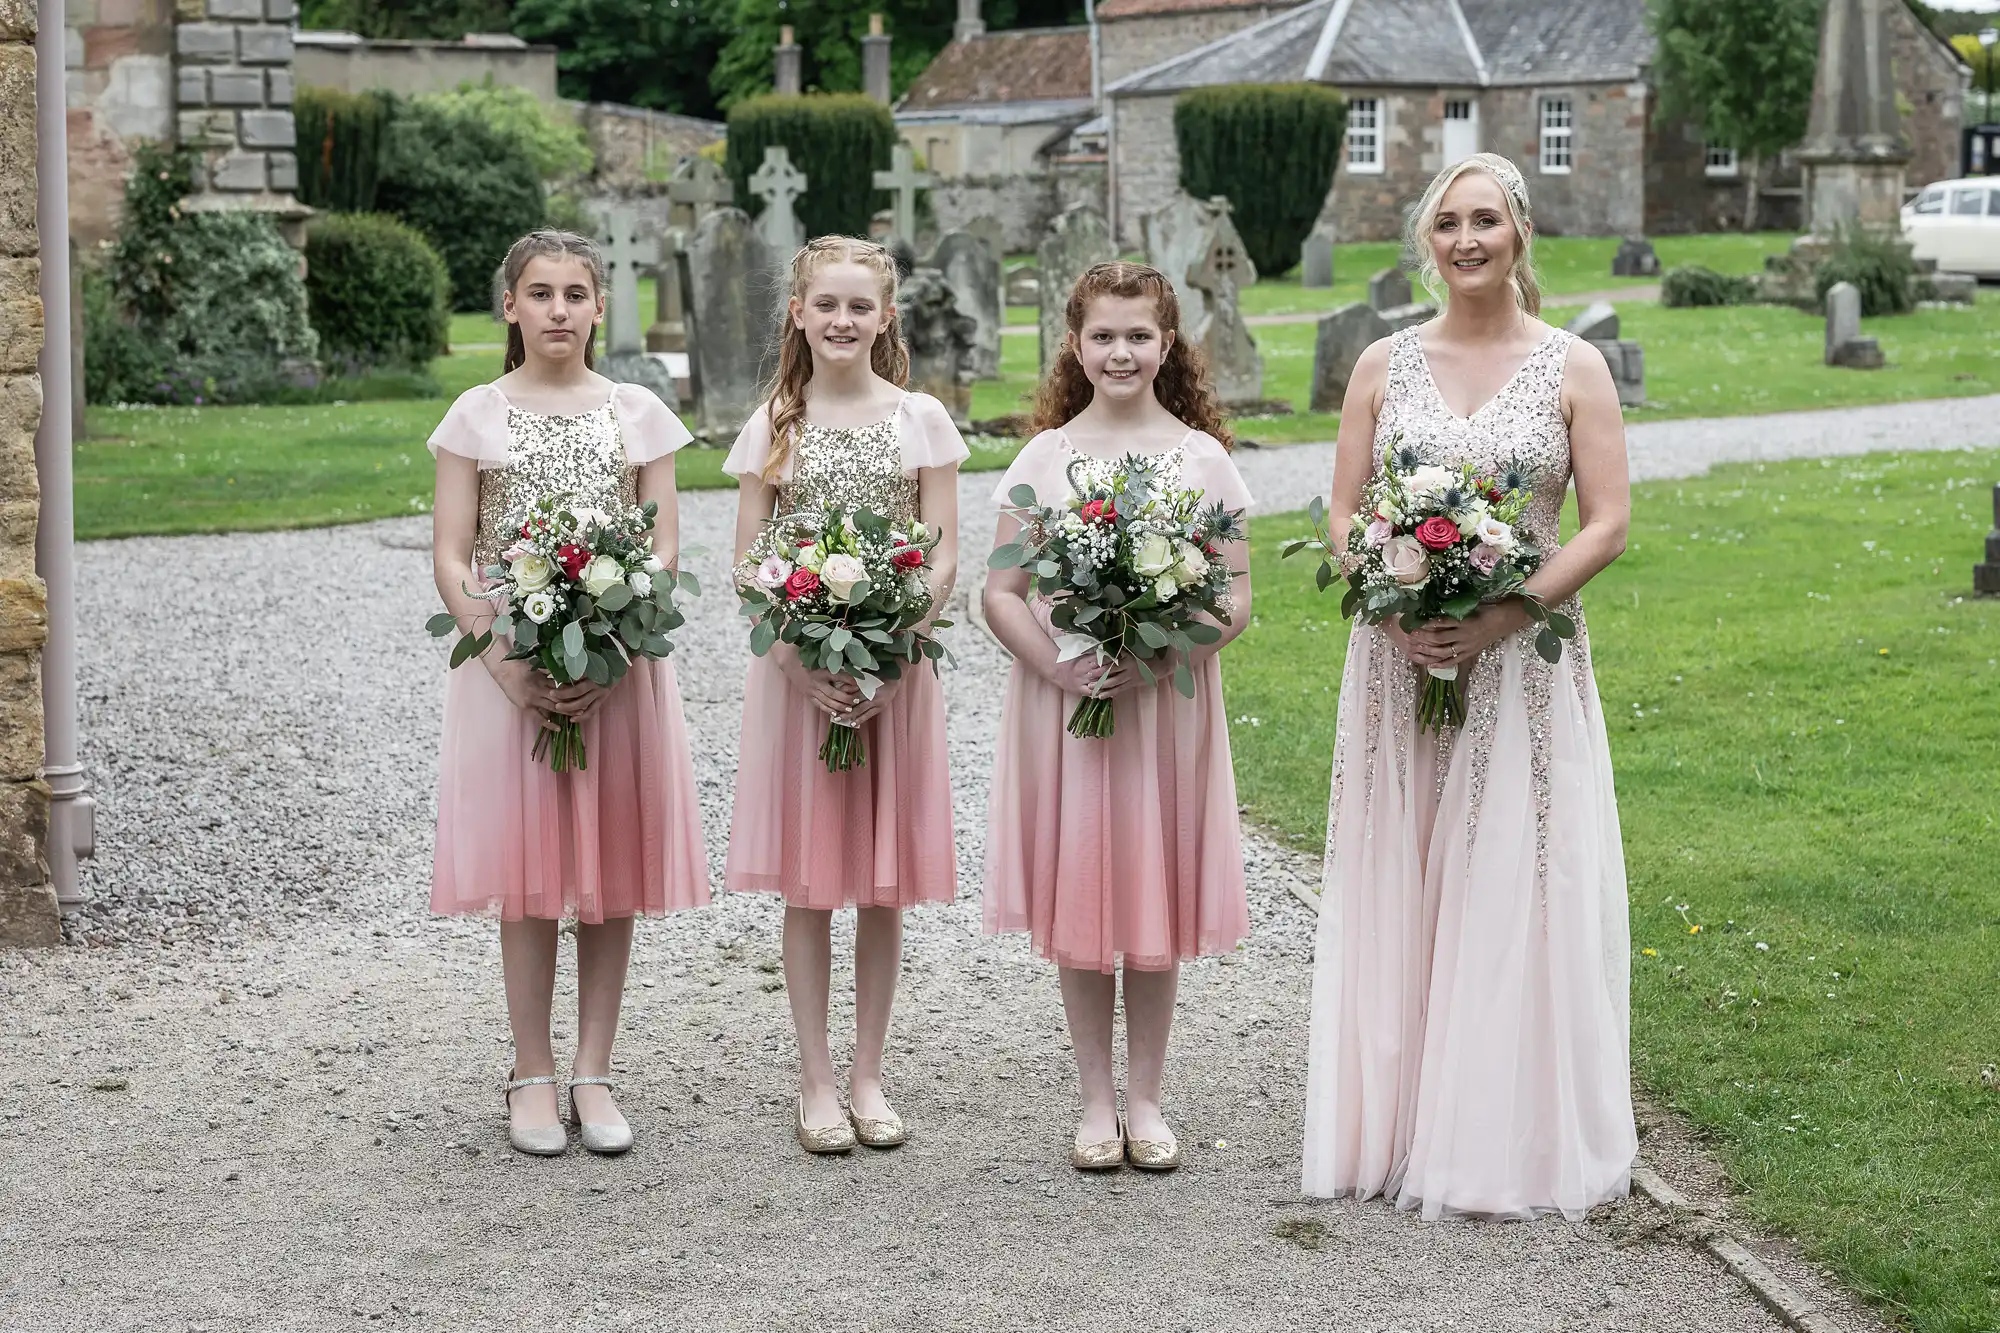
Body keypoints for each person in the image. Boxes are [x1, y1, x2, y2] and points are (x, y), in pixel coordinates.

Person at [1300, 154, 1636, 1219]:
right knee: (1400, 867)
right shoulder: (1380, 364)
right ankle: (1390, 1123)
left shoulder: (1573, 365)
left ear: (1519, 232)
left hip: (1521, 664)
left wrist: (1502, 613)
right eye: (1446, 223)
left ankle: (1499, 1133)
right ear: (1425, 241)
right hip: (1398, 656)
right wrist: (1391, 595)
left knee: (1510, 871)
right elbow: (1343, 510)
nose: (1465, 240)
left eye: (1484, 219)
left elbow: (1606, 521)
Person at [428, 230, 709, 1158]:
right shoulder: (478, 413)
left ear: (597, 306)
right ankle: (531, 1067)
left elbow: (664, 544)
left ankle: (595, 1065)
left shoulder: (637, 410)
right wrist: (504, 663)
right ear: (509, 306)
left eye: (574, 293)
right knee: (530, 869)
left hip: (619, 659)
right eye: (538, 293)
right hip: (512, 657)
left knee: (611, 863)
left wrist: (618, 644)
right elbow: (452, 550)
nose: (557, 309)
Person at [982, 261, 1253, 1173]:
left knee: (1155, 889)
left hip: (1161, 706)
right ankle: (1095, 1098)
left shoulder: (1204, 460)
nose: (1121, 351)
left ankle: (1147, 1095)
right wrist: (1062, 663)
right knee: (1087, 884)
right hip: (1074, 705)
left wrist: (1162, 650)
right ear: (1076, 344)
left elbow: (1236, 596)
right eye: (1104, 335)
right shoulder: (1046, 458)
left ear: (1168, 345)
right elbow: (1001, 592)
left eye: (1139, 335)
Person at [722, 236, 968, 1155]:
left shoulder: (921, 419)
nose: (842, 320)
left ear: (886, 316)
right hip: (798, 677)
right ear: (797, 313)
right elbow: (749, 562)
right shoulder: (774, 423)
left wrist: (892, 644)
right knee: (810, 879)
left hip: (892, 675)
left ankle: (869, 1072)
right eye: (825, 304)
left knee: (879, 883)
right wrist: (802, 661)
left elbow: (941, 549)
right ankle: (815, 1077)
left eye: (860, 306)